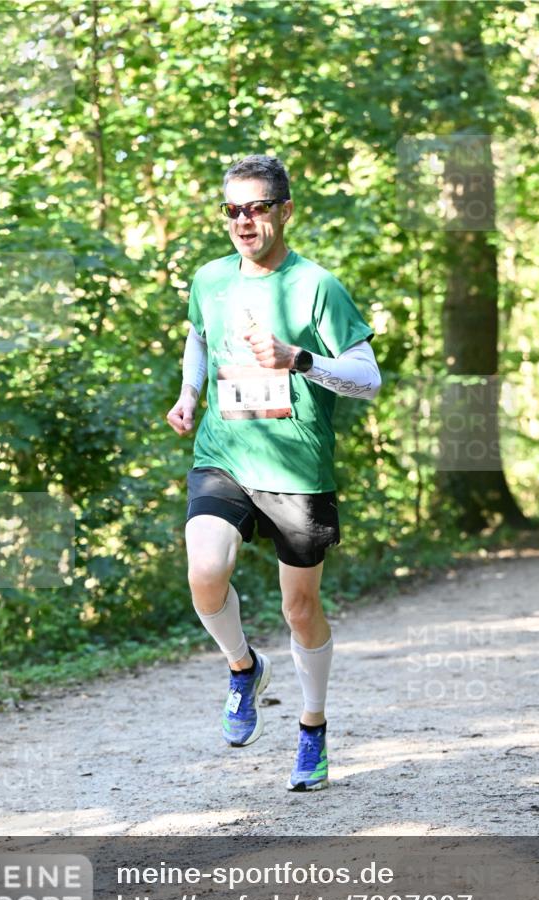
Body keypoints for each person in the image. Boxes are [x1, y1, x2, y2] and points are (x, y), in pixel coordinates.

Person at [166, 155, 381, 791]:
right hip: (224, 453)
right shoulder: (209, 279)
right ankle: (242, 667)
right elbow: (199, 339)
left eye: (257, 207)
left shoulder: (317, 286)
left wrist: (301, 359)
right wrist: (188, 392)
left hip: (297, 467)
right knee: (205, 573)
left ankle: (312, 727)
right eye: (233, 210)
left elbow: (368, 380)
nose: (244, 220)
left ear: (285, 210)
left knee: (300, 606)